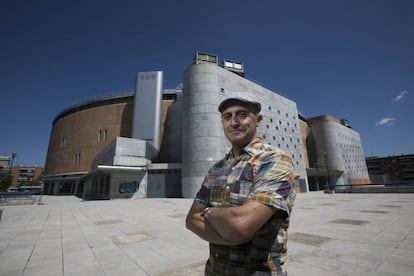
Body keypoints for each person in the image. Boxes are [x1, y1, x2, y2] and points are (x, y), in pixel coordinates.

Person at [186, 96, 296, 275]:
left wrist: (207, 213)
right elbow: (191, 220)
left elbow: (239, 225)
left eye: (242, 115)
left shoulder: (274, 159)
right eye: (227, 117)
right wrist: (230, 237)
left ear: (257, 120)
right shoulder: (216, 169)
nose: (234, 122)